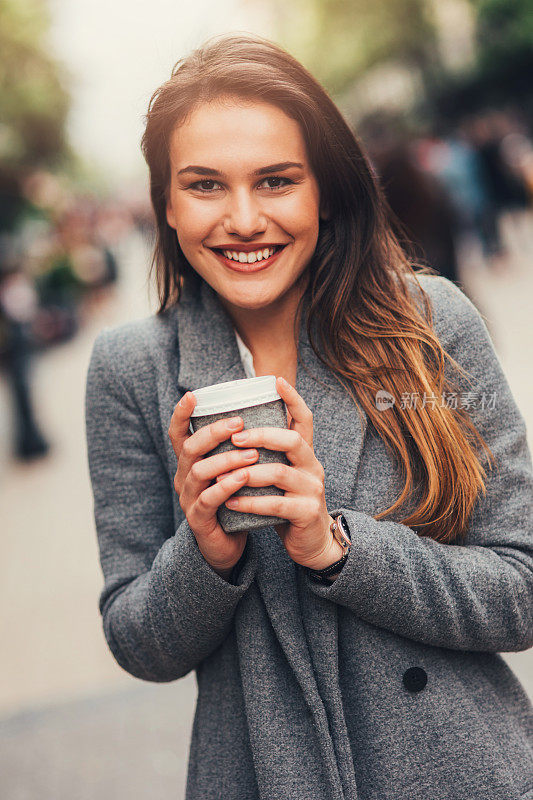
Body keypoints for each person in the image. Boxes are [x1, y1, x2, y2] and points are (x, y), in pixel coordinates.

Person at [85, 34, 533, 800]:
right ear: (164, 201)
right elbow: (139, 643)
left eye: (275, 181)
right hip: (262, 775)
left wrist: (336, 547)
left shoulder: (430, 325)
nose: (243, 219)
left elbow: (520, 588)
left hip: (464, 771)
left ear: (323, 189)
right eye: (204, 186)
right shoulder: (131, 370)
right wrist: (203, 552)